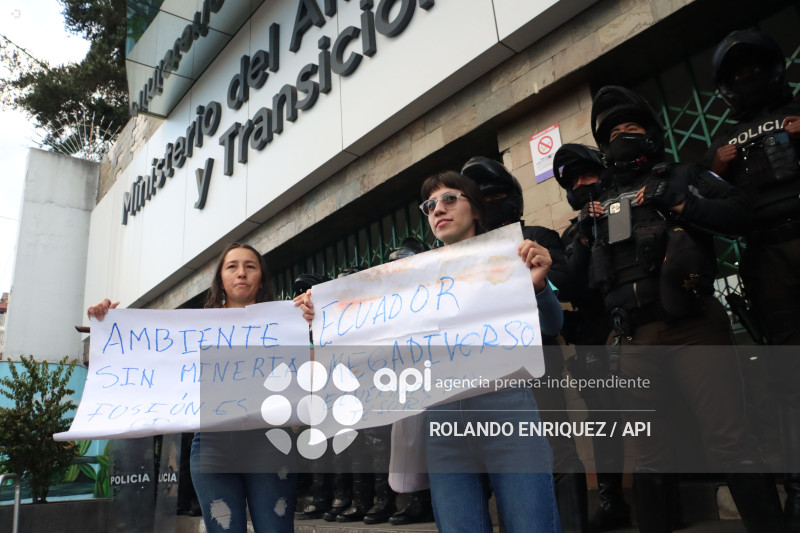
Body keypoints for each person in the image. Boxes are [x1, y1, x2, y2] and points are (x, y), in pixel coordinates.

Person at [570, 84, 787, 533]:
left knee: (728, 439)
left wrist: (685, 204)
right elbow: (578, 278)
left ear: (651, 135)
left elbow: (742, 215)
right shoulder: (601, 205)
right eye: (613, 133)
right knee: (649, 453)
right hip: (630, 338)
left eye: (631, 128)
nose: (622, 136)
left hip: (692, 327)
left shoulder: (683, 176)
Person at [88, 243, 297, 533]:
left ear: (261, 278)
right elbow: (147, 359)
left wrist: (315, 316)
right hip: (213, 448)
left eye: (250, 266)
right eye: (232, 266)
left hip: (270, 445)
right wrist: (108, 324)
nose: (241, 273)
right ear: (220, 279)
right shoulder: (192, 329)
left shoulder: (286, 321)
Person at [461, 156, 589, 533]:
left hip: (539, 357)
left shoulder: (536, 236)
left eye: (496, 195)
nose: (489, 203)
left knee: (557, 448)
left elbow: (565, 278)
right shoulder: (461, 255)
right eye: (481, 199)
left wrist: (535, 269)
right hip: (487, 368)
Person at [708, 29, 800, 531]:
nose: (748, 80)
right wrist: (715, 171)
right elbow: (711, 212)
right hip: (766, 258)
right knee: (788, 377)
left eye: (754, 70)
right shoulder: (720, 143)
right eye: (737, 75)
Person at [551, 143, 632, 531]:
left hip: (636, 326)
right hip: (594, 338)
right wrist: (583, 238)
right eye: (576, 180)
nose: (585, 184)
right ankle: (611, 498)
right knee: (604, 421)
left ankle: (667, 493)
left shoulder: (626, 208)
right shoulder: (570, 233)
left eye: (589, 175)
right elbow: (569, 287)